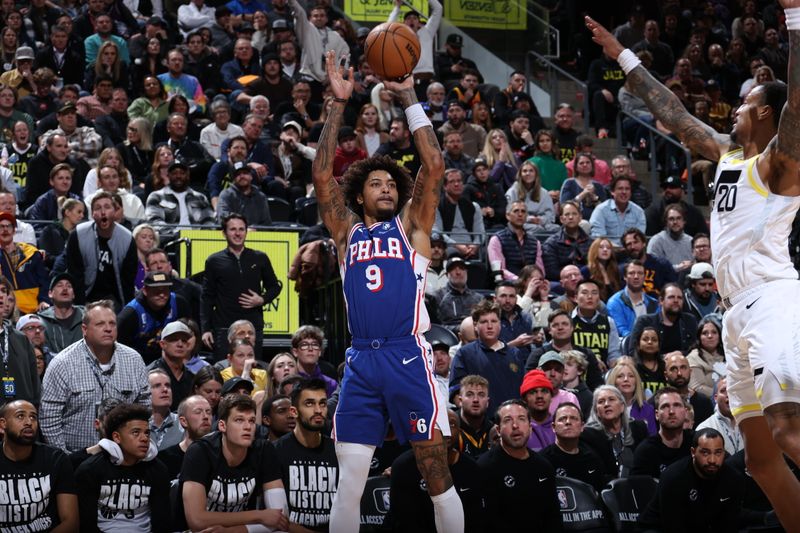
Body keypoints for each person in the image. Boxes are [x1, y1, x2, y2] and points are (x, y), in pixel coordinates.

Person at [311, 52, 464, 533]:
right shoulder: (346, 234)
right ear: (359, 195)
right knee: (350, 481)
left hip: (407, 357)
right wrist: (337, 106)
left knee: (435, 473)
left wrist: (409, 95)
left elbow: (434, 165)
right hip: (360, 361)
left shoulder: (413, 228)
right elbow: (320, 176)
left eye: (390, 184)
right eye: (374, 183)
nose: (385, 189)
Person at [40, 300, 151, 452]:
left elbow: (144, 408)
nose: (108, 329)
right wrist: (65, 459)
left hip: (126, 456)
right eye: (100, 324)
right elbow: (49, 418)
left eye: (112, 324)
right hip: (77, 457)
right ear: (84, 329)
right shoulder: (62, 364)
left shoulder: (134, 360)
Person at [179, 394, 289, 531]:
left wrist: (230, 531)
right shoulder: (200, 452)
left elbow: (280, 517)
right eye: (239, 420)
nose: (247, 427)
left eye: (252, 420)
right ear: (222, 426)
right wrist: (258, 515)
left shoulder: (264, 450)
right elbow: (196, 521)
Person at [201, 213, 281, 360]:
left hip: (252, 328)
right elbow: (207, 297)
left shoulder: (260, 257)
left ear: (246, 231)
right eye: (232, 229)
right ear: (224, 233)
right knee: (223, 372)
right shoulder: (214, 261)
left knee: (253, 371)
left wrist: (262, 299)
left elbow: (275, 287)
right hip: (224, 327)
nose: (237, 233)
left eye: (241, 229)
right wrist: (205, 329)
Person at [477, 399, 562, 531]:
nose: (515, 425)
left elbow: (553, 518)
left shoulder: (544, 466)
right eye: (508, 420)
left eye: (521, 419)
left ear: (530, 427)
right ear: (498, 430)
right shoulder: (485, 467)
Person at [638, 428, 744, 532]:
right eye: (705, 453)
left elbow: (731, 523)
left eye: (718, 453)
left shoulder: (732, 478)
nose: (712, 460)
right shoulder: (674, 478)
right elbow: (672, 526)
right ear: (693, 452)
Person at [0, 400, 79, 531]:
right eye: (20, 416)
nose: (29, 422)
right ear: (3, 425)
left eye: (33, 417)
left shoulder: (56, 459)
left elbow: (71, 522)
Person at [273, 378, 338, 530]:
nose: (318, 410)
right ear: (294, 411)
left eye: (322, 403)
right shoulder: (276, 451)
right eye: (309, 403)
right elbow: (274, 516)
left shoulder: (338, 451)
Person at [65, 192, 138, 309]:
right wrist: (79, 308)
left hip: (115, 299)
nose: (103, 212)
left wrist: (127, 309)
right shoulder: (78, 235)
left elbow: (127, 281)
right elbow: (75, 275)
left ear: (114, 212)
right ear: (92, 214)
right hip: (85, 296)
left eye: (107, 207)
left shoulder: (127, 239)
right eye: (98, 208)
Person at [581, 385, 648, 478]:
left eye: (611, 399)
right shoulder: (589, 435)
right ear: (596, 411)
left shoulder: (638, 428)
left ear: (621, 406)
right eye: (601, 401)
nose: (606, 404)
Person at [540, 402, 607, 491]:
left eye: (573, 418)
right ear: (553, 427)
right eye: (562, 419)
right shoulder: (543, 461)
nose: (568, 422)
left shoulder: (592, 459)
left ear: (582, 426)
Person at [631, 386, 693, 478]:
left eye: (677, 405)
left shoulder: (696, 443)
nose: (671, 411)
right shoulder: (646, 452)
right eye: (665, 406)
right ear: (656, 414)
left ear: (685, 411)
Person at [0, 211, 49, 314]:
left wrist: (43, 300)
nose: (5, 230)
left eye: (8, 226)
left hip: (34, 309)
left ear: (14, 231)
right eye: (1, 226)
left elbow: (43, 281)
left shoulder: (31, 253)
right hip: (6, 311)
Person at [628, 283, 698, 355]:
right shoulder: (644, 321)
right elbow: (633, 352)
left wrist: (681, 354)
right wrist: (662, 359)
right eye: (671, 297)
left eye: (679, 298)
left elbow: (697, 349)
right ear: (661, 300)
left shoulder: (690, 320)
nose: (676, 300)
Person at [157, 395, 214, 481]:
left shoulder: (221, 455)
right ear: (184, 421)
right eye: (198, 412)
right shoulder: (165, 459)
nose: (206, 416)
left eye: (208, 412)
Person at [589, 174, 646, 246]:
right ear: (612, 192)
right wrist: (618, 250)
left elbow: (639, 239)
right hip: (608, 252)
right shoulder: (601, 210)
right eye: (620, 188)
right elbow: (598, 238)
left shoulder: (639, 212)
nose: (624, 192)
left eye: (627, 189)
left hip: (631, 252)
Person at [606, 260, 659, 339]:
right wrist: (639, 342)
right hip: (625, 347)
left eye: (640, 273)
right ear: (625, 277)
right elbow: (621, 330)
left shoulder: (654, 303)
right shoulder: (615, 302)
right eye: (631, 273)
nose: (636, 277)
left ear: (645, 277)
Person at [620, 227, 677, 297]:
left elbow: (673, 290)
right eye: (629, 244)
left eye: (636, 242)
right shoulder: (622, 270)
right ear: (625, 248)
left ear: (644, 243)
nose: (633, 247)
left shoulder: (662, 264)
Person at [38, 272, 85, 355]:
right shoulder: (41, 322)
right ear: (50, 294)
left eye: (69, 286)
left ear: (73, 294)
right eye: (60, 285)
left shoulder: (87, 317)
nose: (65, 288)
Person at [608, 359, 657, 434]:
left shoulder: (648, 409)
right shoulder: (605, 408)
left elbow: (652, 439)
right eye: (620, 376)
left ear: (636, 381)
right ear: (613, 381)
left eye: (631, 376)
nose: (626, 379)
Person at [697, 377, 743, 456]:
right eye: (723, 391)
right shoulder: (704, 428)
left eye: (732, 390)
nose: (729, 394)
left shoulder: (750, 423)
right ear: (715, 398)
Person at [646, 203, 694, 272]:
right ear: (666, 222)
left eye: (678, 218)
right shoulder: (656, 241)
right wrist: (678, 267)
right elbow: (651, 266)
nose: (675, 222)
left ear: (684, 221)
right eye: (671, 219)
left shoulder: (691, 241)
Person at [687, 317, 726, 397]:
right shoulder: (693, 358)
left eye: (714, 332)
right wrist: (722, 395)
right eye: (705, 333)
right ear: (699, 337)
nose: (710, 336)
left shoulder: (727, 355)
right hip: (707, 402)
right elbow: (697, 388)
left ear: (719, 336)